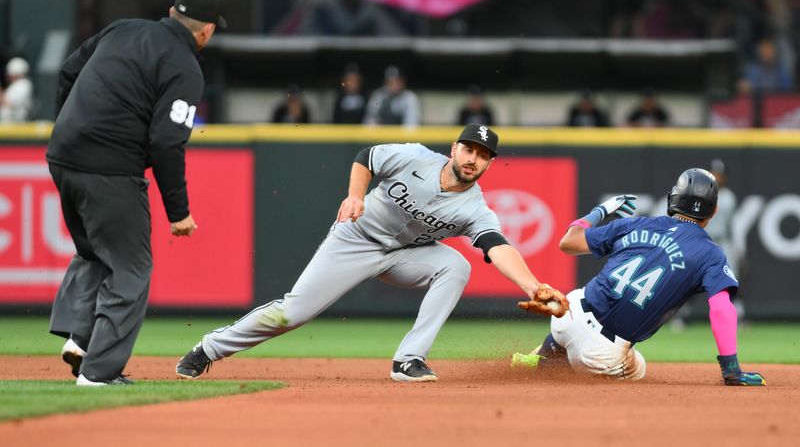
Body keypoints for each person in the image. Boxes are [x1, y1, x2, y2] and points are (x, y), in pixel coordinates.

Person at [176, 124, 565, 382]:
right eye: (468, 149)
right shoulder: (416, 157)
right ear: (454, 148)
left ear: (489, 163)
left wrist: (532, 286)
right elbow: (367, 156)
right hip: (355, 239)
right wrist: (355, 196)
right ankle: (208, 348)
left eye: (482, 155)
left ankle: (408, 359)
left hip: (403, 255)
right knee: (293, 312)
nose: (472, 158)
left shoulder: (475, 208)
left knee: (456, 266)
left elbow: (497, 246)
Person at [47, 0, 225, 386]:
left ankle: (81, 338)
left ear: (170, 11)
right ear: (207, 31)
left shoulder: (122, 29)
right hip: (109, 167)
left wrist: (68, 127)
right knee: (132, 267)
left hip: (63, 156)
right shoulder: (184, 65)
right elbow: (166, 141)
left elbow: (68, 72)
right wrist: (178, 211)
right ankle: (99, 372)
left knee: (95, 250)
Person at [511, 169, 766, 386]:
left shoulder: (637, 224)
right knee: (638, 367)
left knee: (577, 314)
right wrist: (731, 369)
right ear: (714, 211)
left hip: (567, 314)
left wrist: (600, 211)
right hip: (601, 354)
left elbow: (568, 243)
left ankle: (544, 354)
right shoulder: (711, 254)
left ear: (672, 199)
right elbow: (722, 309)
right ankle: (556, 366)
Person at [706, 158, 745, 320]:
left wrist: (739, 249)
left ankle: (739, 315)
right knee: (690, 277)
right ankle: (682, 316)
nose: (717, 177)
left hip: (722, 242)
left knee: (730, 278)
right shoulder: (701, 192)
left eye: (719, 174)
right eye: (714, 174)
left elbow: (734, 227)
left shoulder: (729, 197)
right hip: (704, 242)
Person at [1, 56, 33, 122]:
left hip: (15, 122)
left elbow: (8, 103)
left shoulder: (23, 84)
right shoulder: (16, 85)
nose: (8, 75)